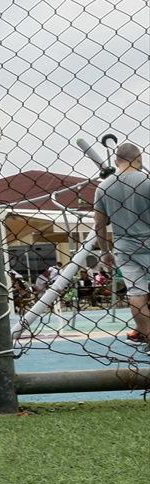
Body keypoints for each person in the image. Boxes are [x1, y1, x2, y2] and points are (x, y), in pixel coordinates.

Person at [94, 142, 150, 348]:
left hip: (124, 246)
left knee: (136, 293)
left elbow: (99, 223)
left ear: (116, 162)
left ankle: (148, 336)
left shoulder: (104, 187)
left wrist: (105, 251)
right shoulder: (147, 181)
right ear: (140, 159)